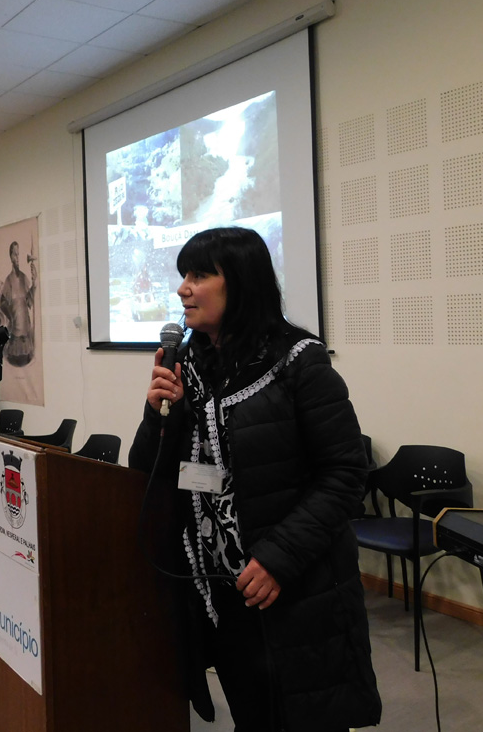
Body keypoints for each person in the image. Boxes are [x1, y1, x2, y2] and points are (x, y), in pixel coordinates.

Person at [129, 227, 381, 732]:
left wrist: (277, 558)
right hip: (220, 592)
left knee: (307, 719)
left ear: (241, 283)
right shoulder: (189, 363)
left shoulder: (299, 362)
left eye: (199, 275)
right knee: (253, 717)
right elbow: (147, 472)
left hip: (297, 588)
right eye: (183, 275)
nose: (183, 288)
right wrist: (159, 414)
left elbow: (346, 473)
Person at [0, 240, 37, 367]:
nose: (17, 258)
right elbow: (2, 303)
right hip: (15, 338)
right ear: (10, 257)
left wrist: (34, 284)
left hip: (26, 337)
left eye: (18, 254)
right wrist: (11, 318)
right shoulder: (8, 281)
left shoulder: (24, 278)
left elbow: (29, 301)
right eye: (14, 254)